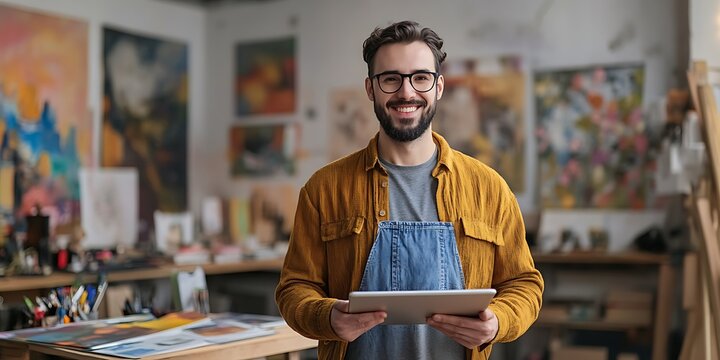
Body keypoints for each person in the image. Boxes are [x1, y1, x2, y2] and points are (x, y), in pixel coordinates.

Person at [275, 20, 543, 359]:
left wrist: (497, 322)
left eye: (420, 77)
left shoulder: (489, 188)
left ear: (439, 86)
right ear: (371, 89)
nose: (406, 92)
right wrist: (327, 317)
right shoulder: (324, 190)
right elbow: (294, 289)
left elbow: (524, 285)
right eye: (391, 79)